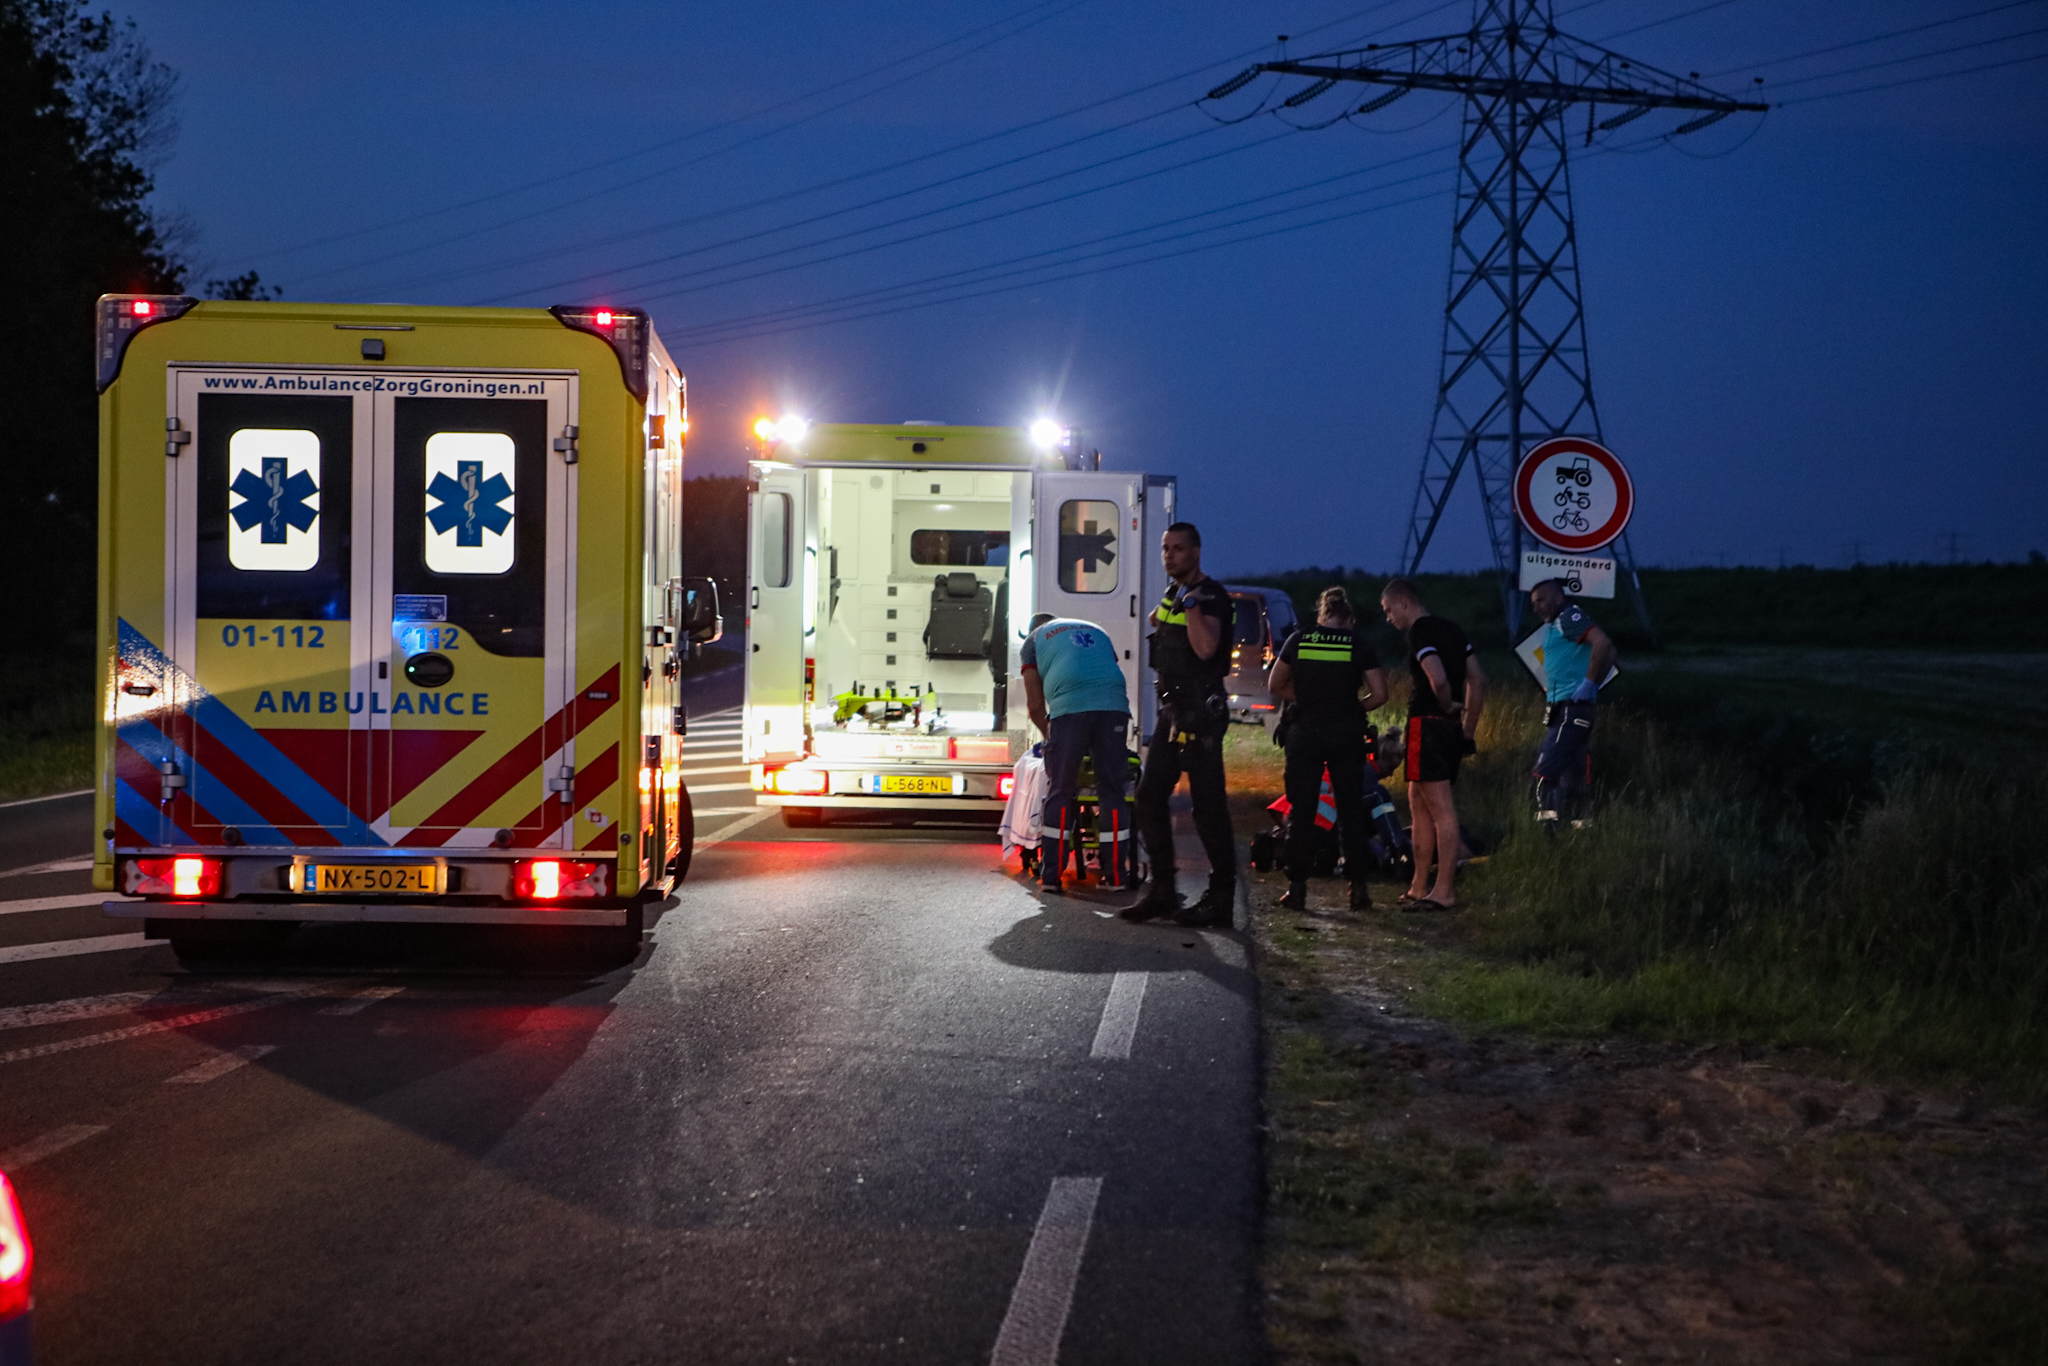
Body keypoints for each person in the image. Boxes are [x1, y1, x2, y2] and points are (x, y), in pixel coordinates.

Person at [1122, 522, 1237, 927]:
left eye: (1178, 549)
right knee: (1149, 798)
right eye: (1165, 549)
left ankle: (1221, 900)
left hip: (1202, 718)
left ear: (1197, 552)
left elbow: (1206, 649)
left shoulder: (1211, 597)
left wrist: (1189, 606)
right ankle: (1163, 891)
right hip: (1173, 715)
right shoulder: (1175, 593)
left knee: (1208, 811)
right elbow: (1156, 620)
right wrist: (1171, 606)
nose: (1169, 556)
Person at [1266, 586, 1390, 913]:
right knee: (1350, 811)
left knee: (1302, 811)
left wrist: (1305, 701)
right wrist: (1352, 707)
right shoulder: (1358, 644)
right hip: (1346, 735)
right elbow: (1380, 694)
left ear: (1322, 615)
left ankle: (1297, 889)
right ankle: (1358, 889)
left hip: (1304, 734)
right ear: (1348, 617)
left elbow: (1275, 685)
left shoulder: (1299, 640)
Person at [1379, 578, 1485, 910]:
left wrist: (1445, 703)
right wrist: (1466, 731)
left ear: (1403, 602)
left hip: (1426, 725)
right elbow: (1478, 680)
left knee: (1441, 810)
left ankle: (1443, 891)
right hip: (1450, 730)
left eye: (1388, 610)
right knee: (1419, 805)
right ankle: (1417, 886)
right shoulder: (1454, 631)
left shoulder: (1420, 632)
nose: (1388, 618)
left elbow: (1437, 678)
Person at [1020, 612, 1133, 894]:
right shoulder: (1096, 629)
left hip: (1070, 706)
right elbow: (1105, 671)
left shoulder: (1033, 641)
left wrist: (1051, 736)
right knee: (1112, 792)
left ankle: (1051, 878)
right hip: (1114, 704)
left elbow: (1035, 706)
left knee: (1061, 790)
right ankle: (1116, 877)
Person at [1528, 578, 1615, 828]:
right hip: (1569, 707)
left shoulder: (1569, 617)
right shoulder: (1558, 623)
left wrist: (1589, 683)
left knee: (1544, 771)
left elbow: (1603, 644)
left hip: (1570, 709)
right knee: (1574, 776)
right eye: (1534, 604)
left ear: (1557, 597)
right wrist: (1591, 685)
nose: (1537, 608)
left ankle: (1545, 831)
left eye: (1541, 600)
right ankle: (1581, 831)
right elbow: (1611, 652)